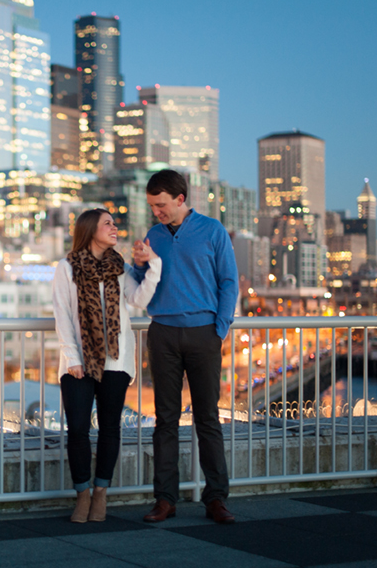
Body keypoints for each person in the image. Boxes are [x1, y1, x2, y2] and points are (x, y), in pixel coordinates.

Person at [131, 169, 239, 525]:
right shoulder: (153, 236)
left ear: (180, 199)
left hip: (204, 334)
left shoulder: (212, 231)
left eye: (160, 205)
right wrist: (137, 264)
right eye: (151, 206)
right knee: (165, 420)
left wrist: (218, 329)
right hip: (162, 333)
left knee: (208, 418)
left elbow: (229, 282)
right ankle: (165, 500)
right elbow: (140, 283)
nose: (156, 212)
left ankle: (216, 499)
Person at [53, 208, 161, 523]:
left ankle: (101, 493)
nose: (115, 228)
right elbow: (61, 313)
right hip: (78, 363)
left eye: (114, 223)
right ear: (90, 230)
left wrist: (154, 265)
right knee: (77, 430)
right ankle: (82, 494)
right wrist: (72, 357)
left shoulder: (120, 267)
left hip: (116, 359)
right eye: (108, 223)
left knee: (110, 428)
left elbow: (140, 300)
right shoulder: (66, 267)